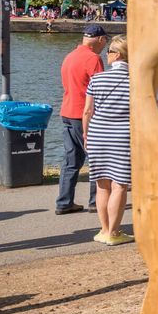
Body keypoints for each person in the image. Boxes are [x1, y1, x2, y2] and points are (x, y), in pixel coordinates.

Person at [83, 35, 133, 244]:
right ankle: (114, 232)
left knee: (102, 184)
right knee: (119, 184)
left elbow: (87, 111)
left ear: (118, 54)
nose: (107, 55)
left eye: (109, 52)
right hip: (122, 136)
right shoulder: (135, 81)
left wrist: (86, 135)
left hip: (97, 134)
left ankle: (103, 230)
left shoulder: (97, 78)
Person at [57, 24, 107, 213]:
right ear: (100, 40)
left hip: (67, 111)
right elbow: (99, 89)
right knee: (95, 156)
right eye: (105, 41)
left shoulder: (70, 56)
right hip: (84, 114)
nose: (105, 45)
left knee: (71, 159)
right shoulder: (93, 59)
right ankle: (95, 201)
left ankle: (64, 201)